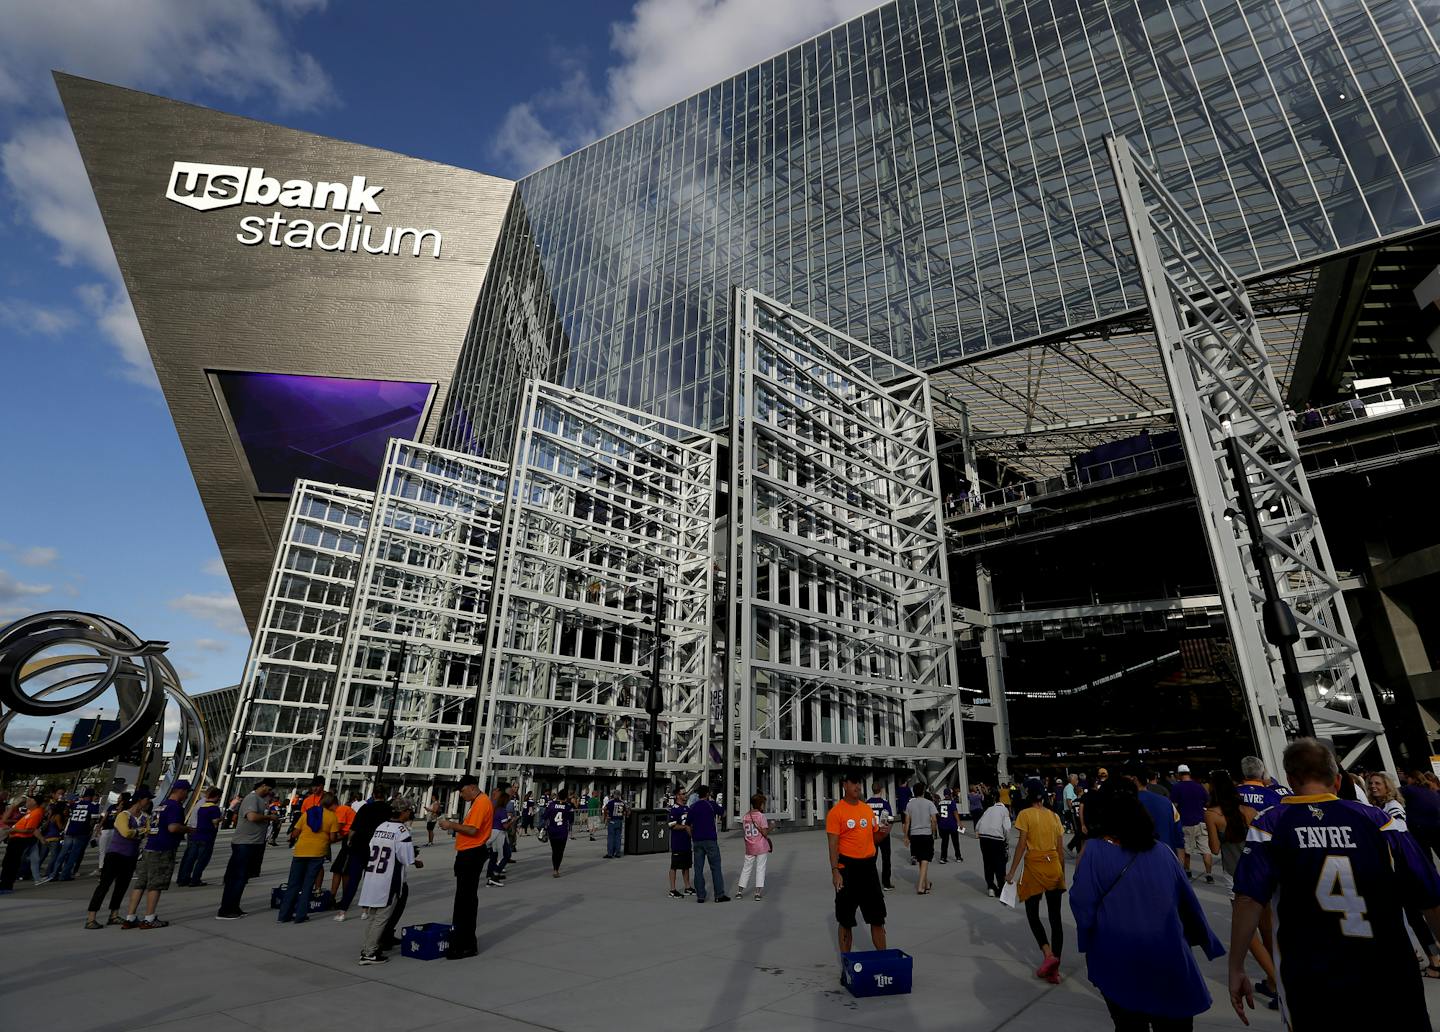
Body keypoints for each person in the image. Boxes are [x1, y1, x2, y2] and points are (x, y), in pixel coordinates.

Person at [1230, 739, 1440, 1029]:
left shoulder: (1271, 825)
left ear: (1290, 780)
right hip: (1389, 971)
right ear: (1338, 779)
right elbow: (1430, 894)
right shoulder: (1378, 820)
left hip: (1313, 976)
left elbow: (1247, 899)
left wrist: (1236, 965)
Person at [1070, 784, 1225, 1030]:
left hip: (1118, 959)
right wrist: (1202, 937)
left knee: (1129, 1024)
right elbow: (1188, 902)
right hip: (1168, 956)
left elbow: (1082, 905)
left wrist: (1089, 942)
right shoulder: (1163, 852)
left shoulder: (1094, 852)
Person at [1007, 789, 1067, 983]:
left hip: (1035, 867)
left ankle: (1048, 954)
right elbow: (1060, 848)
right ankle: (1055, 967)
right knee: (1055, 917)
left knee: (1032, 914)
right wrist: (1062, 874)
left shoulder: (1025, 815)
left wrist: (1012, 871)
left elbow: (1022, 844)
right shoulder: (1054, 816)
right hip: (1054, 866)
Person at [357, 796, 423, 965]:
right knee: (382, 918)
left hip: (373, 876)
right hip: (389, 880)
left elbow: (373, 847)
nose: (410, 813)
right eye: (409, 810)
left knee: (373, 916)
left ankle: (368, 948)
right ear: (403, 812)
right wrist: (415, 858)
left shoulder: (381, 826)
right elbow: (405, 857)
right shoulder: (401, 831)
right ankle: (369, 952)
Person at [827, 771, 888, 955]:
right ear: (844, 785)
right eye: (853, 783)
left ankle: (883, 959)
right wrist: (835, 871)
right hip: (847, 870)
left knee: (878, 918)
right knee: (845, 920)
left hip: (868, 868)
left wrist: (883, 832)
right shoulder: (836, 812)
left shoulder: (866, 809)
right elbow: (832, 844)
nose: (857, 787)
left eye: (859, 783)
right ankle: (846, 963)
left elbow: (874, 838)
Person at [121, 780, 191, 928]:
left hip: (150, 846)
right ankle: (149, 917)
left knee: (141, 883)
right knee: (156, 884)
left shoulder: (161, 805)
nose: (186, 795)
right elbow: (173, 827)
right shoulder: (175, 807)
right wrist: (187, 829)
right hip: (163, 848)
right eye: (186, 792)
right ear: (181, 791)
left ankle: (130, 916)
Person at [437, 775, 492, 960]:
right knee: (464, 900)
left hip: (471, 854)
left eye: (462, 791)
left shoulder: (481, 803)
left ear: (471, 787)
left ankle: (465, 944)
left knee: (465, 901)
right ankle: (463, 941)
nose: (461, 795)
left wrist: (450, 825)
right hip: (469, 853)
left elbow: (472, 830)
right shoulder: (479, 802)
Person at [216, 778, 278, 919]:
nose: (269, 793)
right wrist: (269, 817)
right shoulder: (252, 798)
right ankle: (226, 909)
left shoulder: (259, 800)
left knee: (243, 878)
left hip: (253, 843)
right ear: (263, 786)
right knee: (237, 877)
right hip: (245, 843)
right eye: (268, 790)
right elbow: (251, 816)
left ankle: (234, 906)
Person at [84, 790, 146, 928]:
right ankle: (91, 918)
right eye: (146, 799)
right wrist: (139, 831)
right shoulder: (123, 815)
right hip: (115, 854)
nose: (148, 803)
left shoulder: (143, 817)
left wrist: (138, 832)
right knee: (104, 885)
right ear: (139, 800)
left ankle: (114, 914)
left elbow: (147, 830)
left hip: (131, 855)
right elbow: (125, 832)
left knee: (122, 886)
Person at [277, 791, 339, 924]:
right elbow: (333, 838)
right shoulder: (332, 817)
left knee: (293, 884)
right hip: (317, 853)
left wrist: (296, 838)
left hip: (300, 851)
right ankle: (300, 915)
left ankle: (283, 915)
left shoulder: (307, 814)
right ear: (332, 804)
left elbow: (295, 832)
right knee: (307, 885)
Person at [333, 787, 392, 920]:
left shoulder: (366, 808)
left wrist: (349, 840)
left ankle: (342, 911)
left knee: (354, 878)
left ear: (373, 795)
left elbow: (354, 827)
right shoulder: (389, 809)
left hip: (360, 844)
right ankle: (365, 909)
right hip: (378, 845)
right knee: (369, 879)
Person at [1169, 765, 1212, 883]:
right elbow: (1207, 801)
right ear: (1189, 773)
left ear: (1179, 774)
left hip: (1186, 822)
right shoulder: (1199, 786)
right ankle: (1209, 875)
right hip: (1201, 821)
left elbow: (1174, 806)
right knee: (1206, 850)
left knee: (1187, 849)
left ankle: (1188, 872)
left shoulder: (1176, 787)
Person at [687, 784, 728, 902]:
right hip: (710, 839)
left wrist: (693, 836)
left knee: (698, 869)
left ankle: (700, 896)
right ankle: (719, 895)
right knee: (715, 867)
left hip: (697, 841)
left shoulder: (693, 807)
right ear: (708, 793)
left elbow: (688, 825)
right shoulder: (711, 805)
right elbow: (723, 813)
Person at [175, 786, 221, 887]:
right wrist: (220, 819)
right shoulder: (213, 807)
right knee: (202, 859)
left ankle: (183, 878)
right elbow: (215, 822)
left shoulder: (201, 805)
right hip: (206, 836)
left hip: (195, 833)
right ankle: (195, 879)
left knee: (190, 857)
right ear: (216, 796)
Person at [55, 786, 99, 881]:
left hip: (71, 830)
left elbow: (67, 812)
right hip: (81, 832)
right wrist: (90, 830)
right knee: (73, 855)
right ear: (91, 796)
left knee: (63, 853)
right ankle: (65, 875)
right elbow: (93, 820)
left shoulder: (76, 803)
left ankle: (53, 873)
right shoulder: (93, 805)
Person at [0, 796, 42, 893]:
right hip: (15, 838)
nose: (27, 802)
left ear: (35, 803)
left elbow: (29, 830)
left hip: (20, 839)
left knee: (12, 862)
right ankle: (4, 883)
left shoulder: (36, 813)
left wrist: (13, 829)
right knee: (7, 862)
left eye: (30, 800)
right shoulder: (30, 812)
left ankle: (7, 885)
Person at [903, 781, 938, 893]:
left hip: (914, 834)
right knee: (925, 859)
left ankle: (926, 883)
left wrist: (906, 836)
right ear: (923, 791)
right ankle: (920, 886)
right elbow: (934, 819)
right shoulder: (929, 803)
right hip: (926, 833)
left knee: (920, 859)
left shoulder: (909, 804)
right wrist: (933, 832)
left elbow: (907, 821)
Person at [976, 791, 1013, 897]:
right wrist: (1007, 840)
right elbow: (1007, 828)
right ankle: (1001, 888)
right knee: (1000, 863)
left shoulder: (989, 809)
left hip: (984, 838)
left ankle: (991, 887)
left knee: (987, 862)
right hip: (996, 838)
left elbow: (978, 826)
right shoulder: (1004, 810)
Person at [1401, 768, 1440, 865]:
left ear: (1413, 779)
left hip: (1420, 830)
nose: (1406, 781)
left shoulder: (1409, 789)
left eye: (1407, 778)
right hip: (1437, 828)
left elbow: (1393, 792)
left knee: (1427, 862)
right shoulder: (1432, 792)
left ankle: (1433, 879)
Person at [737, 793, 772, 900]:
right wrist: (772, 827)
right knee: (760, 868)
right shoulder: (761, 816)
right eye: (763, 804)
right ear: (760, 804)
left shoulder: (746, 816)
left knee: (746, 868)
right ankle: (757, 893)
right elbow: (765, 833)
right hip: (761, 846)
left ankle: (739, 891)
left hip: (749, 846)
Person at [865, 785, 895, 890]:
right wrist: (887, 832)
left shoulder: (867, 803)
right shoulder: (885, 803)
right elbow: (890, 820)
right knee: (886, 859)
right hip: (883, 833)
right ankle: (886, 883)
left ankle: (870, 882)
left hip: (871, 834)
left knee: (871, 859)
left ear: (872, 790)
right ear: (881, 790)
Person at [666, 788, 694, 898]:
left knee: (686, 866)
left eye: (686, 793)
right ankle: (672, 889)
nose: (685, 795)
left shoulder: (687, 808)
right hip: (677, 842)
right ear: (678, 796)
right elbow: (672, 825)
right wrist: (685, 827)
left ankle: (687, 887)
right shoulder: (674, 809)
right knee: (674, 866)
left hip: (687, 842)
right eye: (683, 794)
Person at [542, 788, 576, 878]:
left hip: (552, 830)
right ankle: (557, 869)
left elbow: (545, 816)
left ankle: (554, 868)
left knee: (554, 850)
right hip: (562, 831)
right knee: (560, 851)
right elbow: (571, 819)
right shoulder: (568, 806)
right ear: (566, 798)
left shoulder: (551, 805)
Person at [487, 786, 517, 886]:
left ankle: (491, 875)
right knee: (506, 854)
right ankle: (495, 874)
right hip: (499, 834)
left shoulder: (495, 809)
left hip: (493, 832)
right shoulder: (502, 810)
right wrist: (512, 821)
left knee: (494, 854)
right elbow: (505, 826)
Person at [936, 787, 963, 864]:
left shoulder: (940, 803)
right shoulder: (952, 802)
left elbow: (938, 813)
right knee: (955, 842)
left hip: (943, 825)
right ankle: (958, 857)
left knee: (944, 842)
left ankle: (943, 857)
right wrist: (959, 823)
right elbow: (955, 813)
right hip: (952, 824)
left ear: (944, 794)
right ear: (950, 794)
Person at [603, 789, 628, 859]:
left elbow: (605, 808)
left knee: (611, 837)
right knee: (618, 837)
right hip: (619, 821)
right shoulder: (622, 803)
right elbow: (627, 811)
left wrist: (606, 816)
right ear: (619, 795)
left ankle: (610, 853)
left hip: (612, 821)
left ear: (614, 795)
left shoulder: (611, 802)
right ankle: (617, 853)